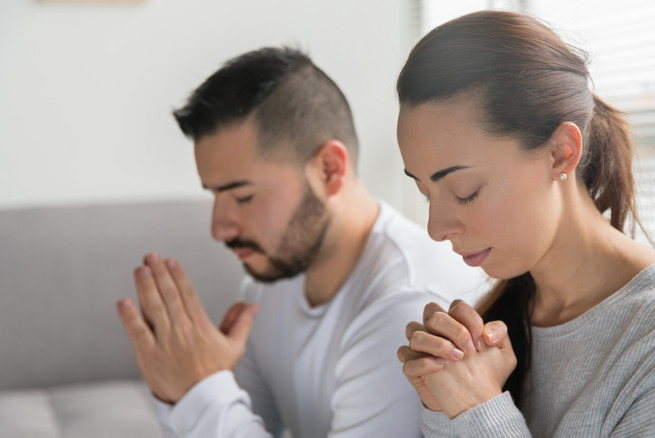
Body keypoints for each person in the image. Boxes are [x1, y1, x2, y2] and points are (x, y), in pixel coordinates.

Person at [395, 10, 655, 437]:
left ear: (561, 153)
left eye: (465, 190)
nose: (435, 229)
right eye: (424, 192)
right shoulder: (488, 331)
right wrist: (444, 405)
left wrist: (477, 410)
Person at [115, 46, 485, 438]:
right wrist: (179, 387)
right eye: (214, 195)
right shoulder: (272, 275)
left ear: (329, 170)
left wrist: (199, 389)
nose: (219, 228)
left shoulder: (405, 307)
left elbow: (217, 418)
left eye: (243, 197)